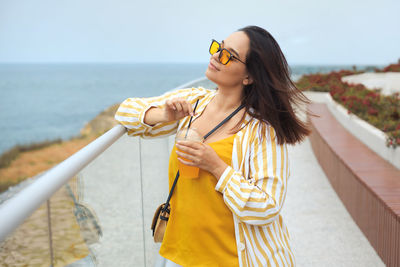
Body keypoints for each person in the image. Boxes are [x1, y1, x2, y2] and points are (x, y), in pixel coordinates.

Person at [114, 25, 310, 267]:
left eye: (229, 55)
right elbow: (124, 112)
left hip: (233, 259)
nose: (216, 56)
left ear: (249, 77)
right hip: (180, 256)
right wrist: (164, 115)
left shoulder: (261, 131)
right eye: (219, 47)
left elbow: (267, 206)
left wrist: (217, 167)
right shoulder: (194, 102)